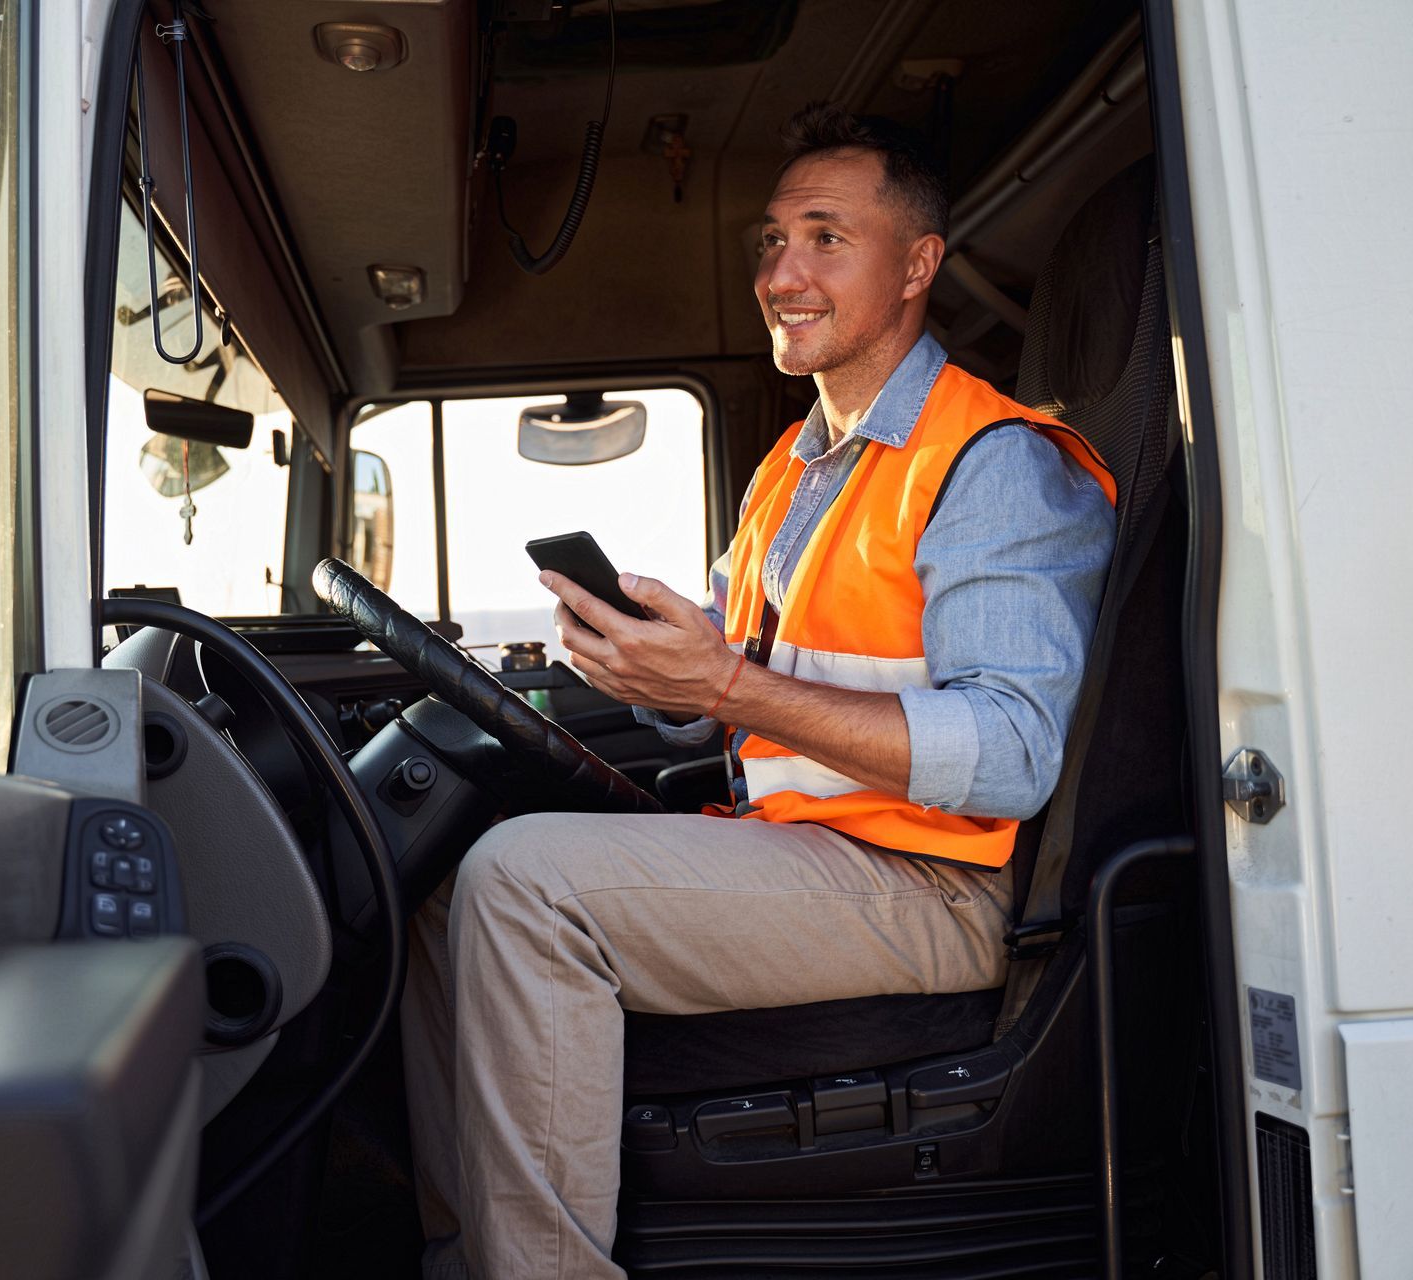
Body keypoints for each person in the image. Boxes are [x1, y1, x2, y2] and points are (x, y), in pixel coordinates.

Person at [401, 103, 1118, 1280]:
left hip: (940, 884)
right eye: (774, 241)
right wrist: (661, 671)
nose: (784, 274)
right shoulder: (793, 466)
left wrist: (727, 681)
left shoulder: (993, 464)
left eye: (827, 238)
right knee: (442, 893)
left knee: (522, 880)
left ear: (916, 267)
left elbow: (1012, 751)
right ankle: (471, 1254)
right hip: (813, 845)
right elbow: (749, 687)